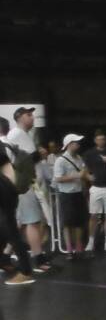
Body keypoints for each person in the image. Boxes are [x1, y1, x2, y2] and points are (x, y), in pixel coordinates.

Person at [6, 107, 51, 273]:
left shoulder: (22, 135)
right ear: (19, 117)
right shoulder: (17, 134)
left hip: (24, 184)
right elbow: (23, 161)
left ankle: (4, 256)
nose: (32, 117)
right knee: (32, 221)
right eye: (28, 115)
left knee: (20, 223)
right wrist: (40, 154)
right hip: (25, 185)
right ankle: (38, 259)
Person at [0, 130, 36, 286]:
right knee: (4, 228)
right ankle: (3, 261)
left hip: (4, 190)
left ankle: (26, 271)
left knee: (10, 230)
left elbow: (6, 167)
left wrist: (10, 188)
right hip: (8, 190)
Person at [53, 134, 90, 257]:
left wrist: (85, 178)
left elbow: (83, 172)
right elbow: (58, 178)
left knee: (79, 221)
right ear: (69, 144)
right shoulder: (60, 160)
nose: (78, 144)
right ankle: (69, 248)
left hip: (78, 192)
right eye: (76, 142)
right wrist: (77, 176)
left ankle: (78, 246)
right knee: (67, 222)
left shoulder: (79, 158)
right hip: (66, 194)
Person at [83, 131, 106, 252]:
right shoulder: (89, 154)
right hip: (96, 187)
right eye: (99, 139)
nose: (101, 141)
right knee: (93, 215)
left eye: (103, 139)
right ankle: (90, 241)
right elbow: (84, 169)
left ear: (105, 140)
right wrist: (88, 176)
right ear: (95, 140)